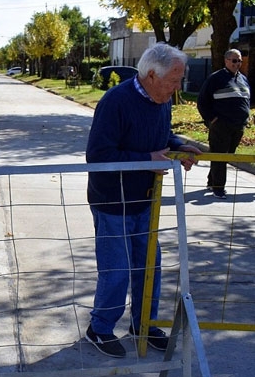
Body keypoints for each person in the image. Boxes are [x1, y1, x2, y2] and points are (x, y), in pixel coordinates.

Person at [85, 43, 200, 358]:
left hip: (145, 199)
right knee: (117, 269)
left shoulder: (160, 99)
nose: (178, 88)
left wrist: (179, 146)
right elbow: (98, 156)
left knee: (150, 267)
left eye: (179, 80)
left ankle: (143, 325)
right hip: (113, 201)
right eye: (173, 80)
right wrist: (148, 159)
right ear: (151, 75)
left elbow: (160, 137)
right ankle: (100, 328)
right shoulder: (116, 102)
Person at [197, 48, 252, 199]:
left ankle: (212, 181)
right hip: (221, 125)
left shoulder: (243, 78)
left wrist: (247, 115)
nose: (237, 64)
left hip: (238, 125)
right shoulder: (216, 78)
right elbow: (202, 101)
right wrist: (212, 119)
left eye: (239, 61)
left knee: (226, 156)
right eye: (234, 61)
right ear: (226, 61)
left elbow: (246, 100)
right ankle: (218, 188)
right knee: (219, 155)